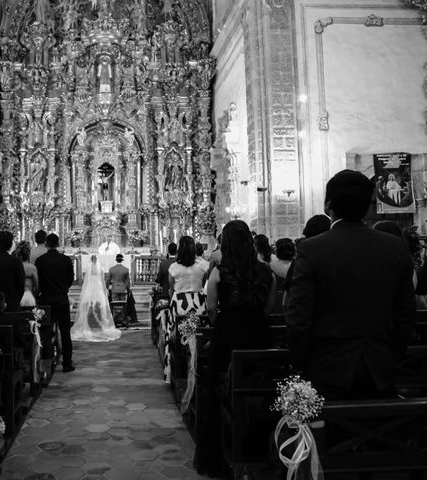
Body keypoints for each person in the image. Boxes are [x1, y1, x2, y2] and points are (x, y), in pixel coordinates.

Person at [286, 169, 415, 400]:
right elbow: (405, 314)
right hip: (381, 370)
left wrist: (299, 365)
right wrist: (392, 357)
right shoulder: (395, 247)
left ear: (328, 205)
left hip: (326, 371)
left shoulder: (312, 249)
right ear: (367, 206)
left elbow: (299, 316)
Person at [198, 220, 276, 476]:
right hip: (259, 335)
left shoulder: (219, 272)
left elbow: (210, 308)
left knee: (220, 389)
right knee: (259, 386)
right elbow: (268, 307)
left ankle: (219, 452)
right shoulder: (267, 272)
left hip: (228, 335)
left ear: (226, 243)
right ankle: (257, 445)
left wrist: (223, 323)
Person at [163, 236, 209, 383]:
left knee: (178, 337)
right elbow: (203, 283)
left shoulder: (174, 267)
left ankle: (178, 370)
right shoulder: (203, 266)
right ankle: (198, 367)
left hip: (180, 305)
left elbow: (171, 289)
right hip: (198, 304)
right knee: (197, 336)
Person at [35, 233, 76, 372]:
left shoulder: (40, 261)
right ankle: (67, 364)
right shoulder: (65, 260)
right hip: (61, 298)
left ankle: (46, 366)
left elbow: (38, 281)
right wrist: (63, 288)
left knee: (45, 332)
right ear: (58, 244)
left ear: (46, 244)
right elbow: (71, 278)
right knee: (65, 332)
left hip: (45, 299)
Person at [71, 255, 122, 342]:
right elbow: (102, 279)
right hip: (97, 286)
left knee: (90, 304)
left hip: (91, 286)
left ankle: (90, 324)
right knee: (99, 304)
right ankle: (97, 325)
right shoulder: (100, 268)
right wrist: (104, 289)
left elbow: (86, 280)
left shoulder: (88, 267)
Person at [0, 230, 25, 312]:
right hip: (11, 303)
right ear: (10, 245)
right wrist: (15, 299)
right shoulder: (15, 261)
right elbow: (21, 285)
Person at [15, 240, 39, 307]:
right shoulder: (31, 268)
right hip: (29, 296)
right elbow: (36, 287)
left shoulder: (14, 266)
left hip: (16, 297)